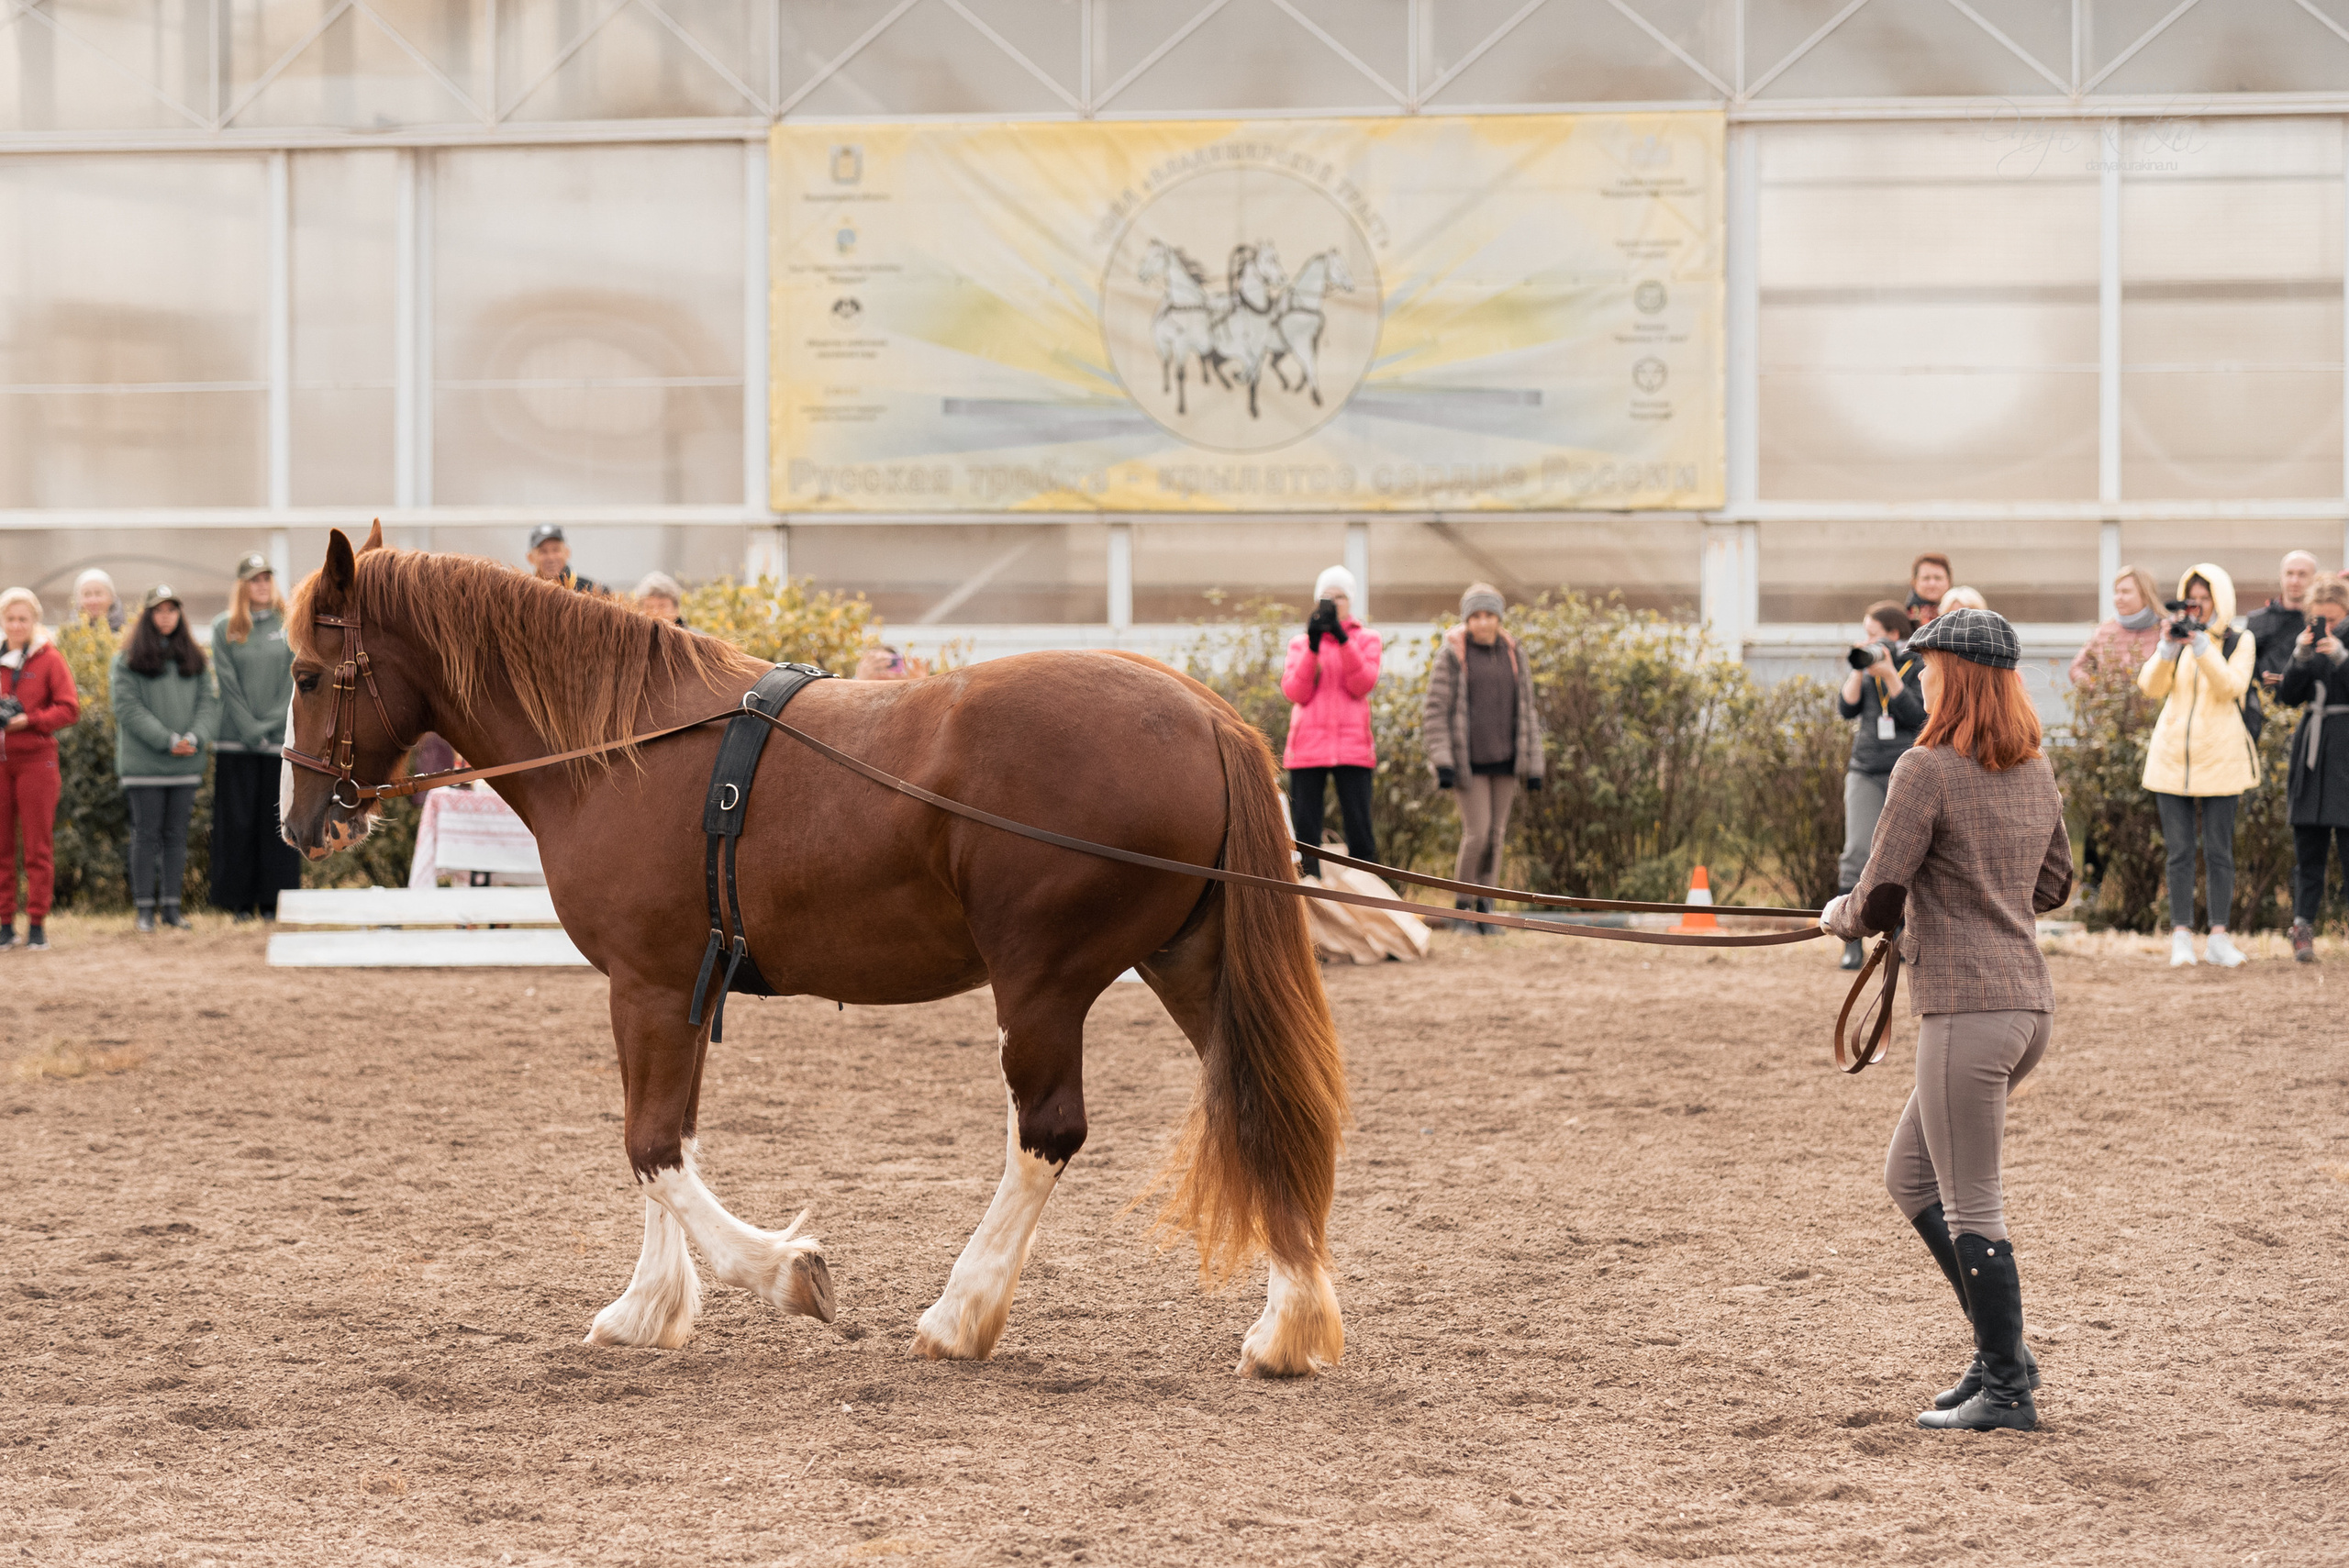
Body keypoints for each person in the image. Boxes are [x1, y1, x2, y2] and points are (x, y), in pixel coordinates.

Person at [1823, 607, 2072, 1433]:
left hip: (1968, 1010)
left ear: (1956, 675)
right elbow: (2054, 884)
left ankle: (2007, 1387)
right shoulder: (2034, 767)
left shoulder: (1924, 768)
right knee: (1910, 1176)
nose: (1921, 674)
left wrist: (1842, 917)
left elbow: (1882, 890)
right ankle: (2002, 1354)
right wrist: (1979, 898)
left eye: (1930, 665)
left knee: (1972, 1204)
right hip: (2025, 1006)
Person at [2138, 564, 2258, 968]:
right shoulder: (2177, 640)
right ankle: (2181, 936)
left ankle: (2220, 937)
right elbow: (2150, 688)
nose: (2197, 607)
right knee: (2179, 852)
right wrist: (2167, 649)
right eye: (2191, 600)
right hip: (2171, 759)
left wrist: (2203, 646)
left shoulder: (2240, 641)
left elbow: (2231, 687)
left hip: (2222, 759)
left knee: (2219, 850)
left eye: (2204, 600)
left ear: (2218, 600)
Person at [1421, 583, 1545, 931]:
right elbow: (1435, 711)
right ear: (1467, 620)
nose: (1483, 622)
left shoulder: (1513, 652)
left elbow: (1528, 711)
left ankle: (1486, 910)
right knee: (1477, 833)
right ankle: (1462, 911)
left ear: (1498, 619)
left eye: (1489, 615)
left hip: (1506, 759)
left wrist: (1534, 765)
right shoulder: (1453, 654)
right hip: (1467, 763)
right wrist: (1442, 761)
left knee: (1496, 836)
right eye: (1476, 616)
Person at [112, 585, 217, 933]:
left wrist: (195, 737)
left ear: (180, 615)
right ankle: (145, 910)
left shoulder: (196, 659)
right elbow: (128, 709)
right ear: (147, 616)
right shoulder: (126, 660)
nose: (166, 616)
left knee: (176, 836)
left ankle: (172, 909)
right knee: (146, 835)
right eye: (159, 610)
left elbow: (208, 704)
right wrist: (167, 740)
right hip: (144, 767)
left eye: (172, 610)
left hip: (185, 765)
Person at [208, 552, 302, 921]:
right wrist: (248, 728)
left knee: (278, 824)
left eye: (266, 578)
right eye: (254, 579)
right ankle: (239, 903)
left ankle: (273, 902)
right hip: (235, 742)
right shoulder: (224, 626)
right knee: (237, 823)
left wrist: (266, 728)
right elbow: (227, 683)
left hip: (278, 744)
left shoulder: (290, 622)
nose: (261, 584)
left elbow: (295, 677)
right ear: (243, 585)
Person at [1833, 601, 1926, 970]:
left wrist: (1889, 674)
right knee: (1856, 852)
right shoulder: (1867, 669)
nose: (1867, 641)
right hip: (1866, 769)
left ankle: (1901, 937)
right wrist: (1860, 668)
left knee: (1909, 857)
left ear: (1893, 635)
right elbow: (1846, 709)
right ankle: (1850, 940)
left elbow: (1916, 717)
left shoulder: (1917, 667)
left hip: (1907, 772)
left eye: (1872, 635)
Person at [1281, 565, 1383, 877]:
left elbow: (1362, 684)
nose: (1334, 603)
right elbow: (1295, 691)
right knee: (1306, 831)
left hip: (1352, 748)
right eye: (1327, 597)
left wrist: (1342, 640)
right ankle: (1309, 900)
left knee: (1359, 829)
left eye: (1340, 596)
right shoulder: (1300, 642)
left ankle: (1368, 899)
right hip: (1308, 747)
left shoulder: (1367, 639)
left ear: (1350, 601)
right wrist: (1313, 647)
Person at [0, 587, 79, 951]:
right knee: (1, 847)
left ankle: (36, 923)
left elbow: (68, 708)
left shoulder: (49, 658)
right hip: (1, 763)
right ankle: (4, 923)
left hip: (36, 761)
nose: (16, 625)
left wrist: (28, 720)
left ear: (34, 621)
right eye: (10, 618)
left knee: (37, 847)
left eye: (23, 618)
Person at [2277, 574, 2349, 963]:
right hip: (2312, 752)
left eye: (2336, 619)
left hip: (2345, 749)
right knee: (2309, 851)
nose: (2327, 626)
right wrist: (2300, 657)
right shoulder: (2305, 642)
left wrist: (2340, 654)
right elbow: (2288, 696)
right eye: (2322, 619)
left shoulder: (2344, 642)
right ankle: (2302, 928)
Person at [2069, 565, 2165, 685]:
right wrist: (2095, 691)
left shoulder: (2164, 630)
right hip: (2111, 704)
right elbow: (2077, 668)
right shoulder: (2105, 631)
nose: (2118, 598)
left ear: (2145, 595)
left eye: (2125, 592)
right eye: (2116, 592)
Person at [2247, 549, 2320, 695]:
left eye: (2302, 574)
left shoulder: (2322, 622)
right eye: (2289, 573)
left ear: (2314, 578)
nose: (2295, 581)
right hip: (2264, 705)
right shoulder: (2257, 620)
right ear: (2281, 576)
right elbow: (2245, 666)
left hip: (2309, 705)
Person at [527, 524, 598, 593]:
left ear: (567, 552)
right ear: (530, 558)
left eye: (556, 550)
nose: (551, 557)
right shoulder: (525, 593)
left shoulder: (592, 591)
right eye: (543, 551)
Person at [1907, 553, 1952, 627]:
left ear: (1949, 581)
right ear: (1914, 582)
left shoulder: (1961, 614)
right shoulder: (1904, 619)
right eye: (1926, 578)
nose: (1932, 584)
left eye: (1938, 578)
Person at [74, 568, 123, 633]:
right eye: (87, 594)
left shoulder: (128, 635)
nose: (93, 601)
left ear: (111, 598)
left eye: (98, 593)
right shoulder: (67, 637)